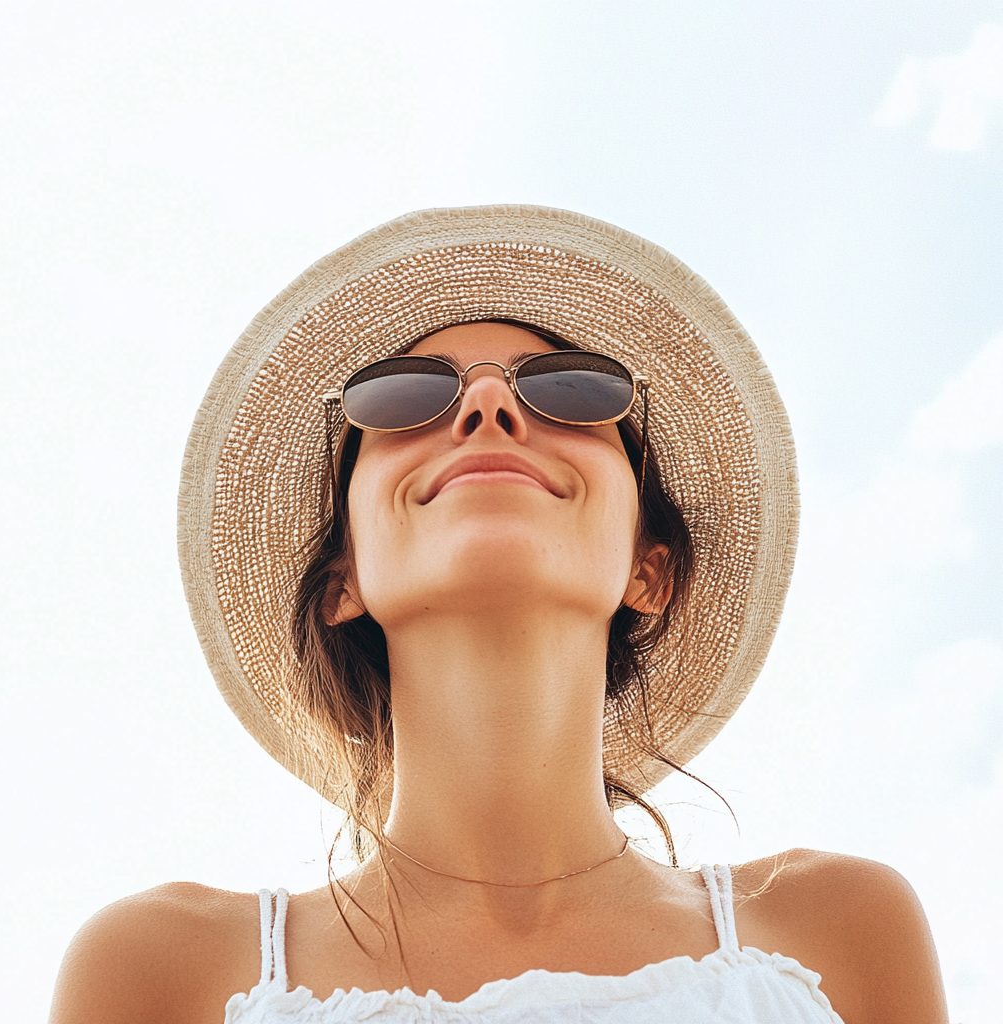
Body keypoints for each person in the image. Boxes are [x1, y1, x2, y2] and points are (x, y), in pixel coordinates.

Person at [50, 207, 947, 1024]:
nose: (487, 404)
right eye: (405, 399)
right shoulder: (161, 971)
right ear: (340, 581)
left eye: (571, 393)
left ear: (649, 569)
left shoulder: (840, 932)